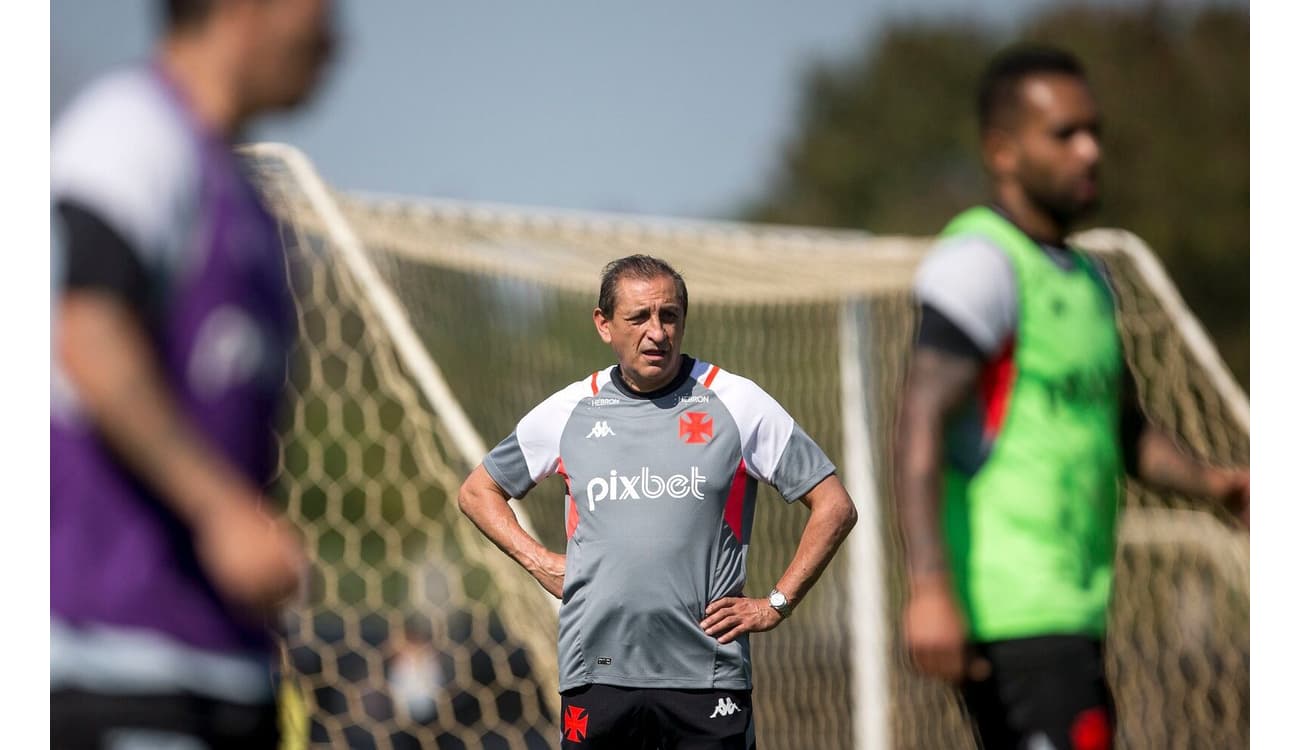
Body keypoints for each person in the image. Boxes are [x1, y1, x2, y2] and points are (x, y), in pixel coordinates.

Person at [894, 45, 1249, 750]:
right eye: (1064, 134)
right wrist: (930, 586)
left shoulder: (1089, 280)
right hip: (1011, 611)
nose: (1090, 151)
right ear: (1002, 150)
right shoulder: (981, 264)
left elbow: (1126, 430)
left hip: (1075, 610)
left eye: (1095, 132)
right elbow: (917, 423)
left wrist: (1220, 484)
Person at [50, 1, 335, 746]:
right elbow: (85, 332)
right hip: (113, 665)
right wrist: (220, 509)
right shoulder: (131, 130)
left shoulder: (244, 200)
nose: (337, 38)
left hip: (222, 671)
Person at [457, 255, 858, 749]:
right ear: (604, 325)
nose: (657, 332)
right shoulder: (570, 410)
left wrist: (775, 604)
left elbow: (834, 505)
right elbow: (478, 491)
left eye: (669, 316)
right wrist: (540, 562)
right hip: (596, 673)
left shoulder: (737, 402)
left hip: (707, 679)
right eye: (639, 317)